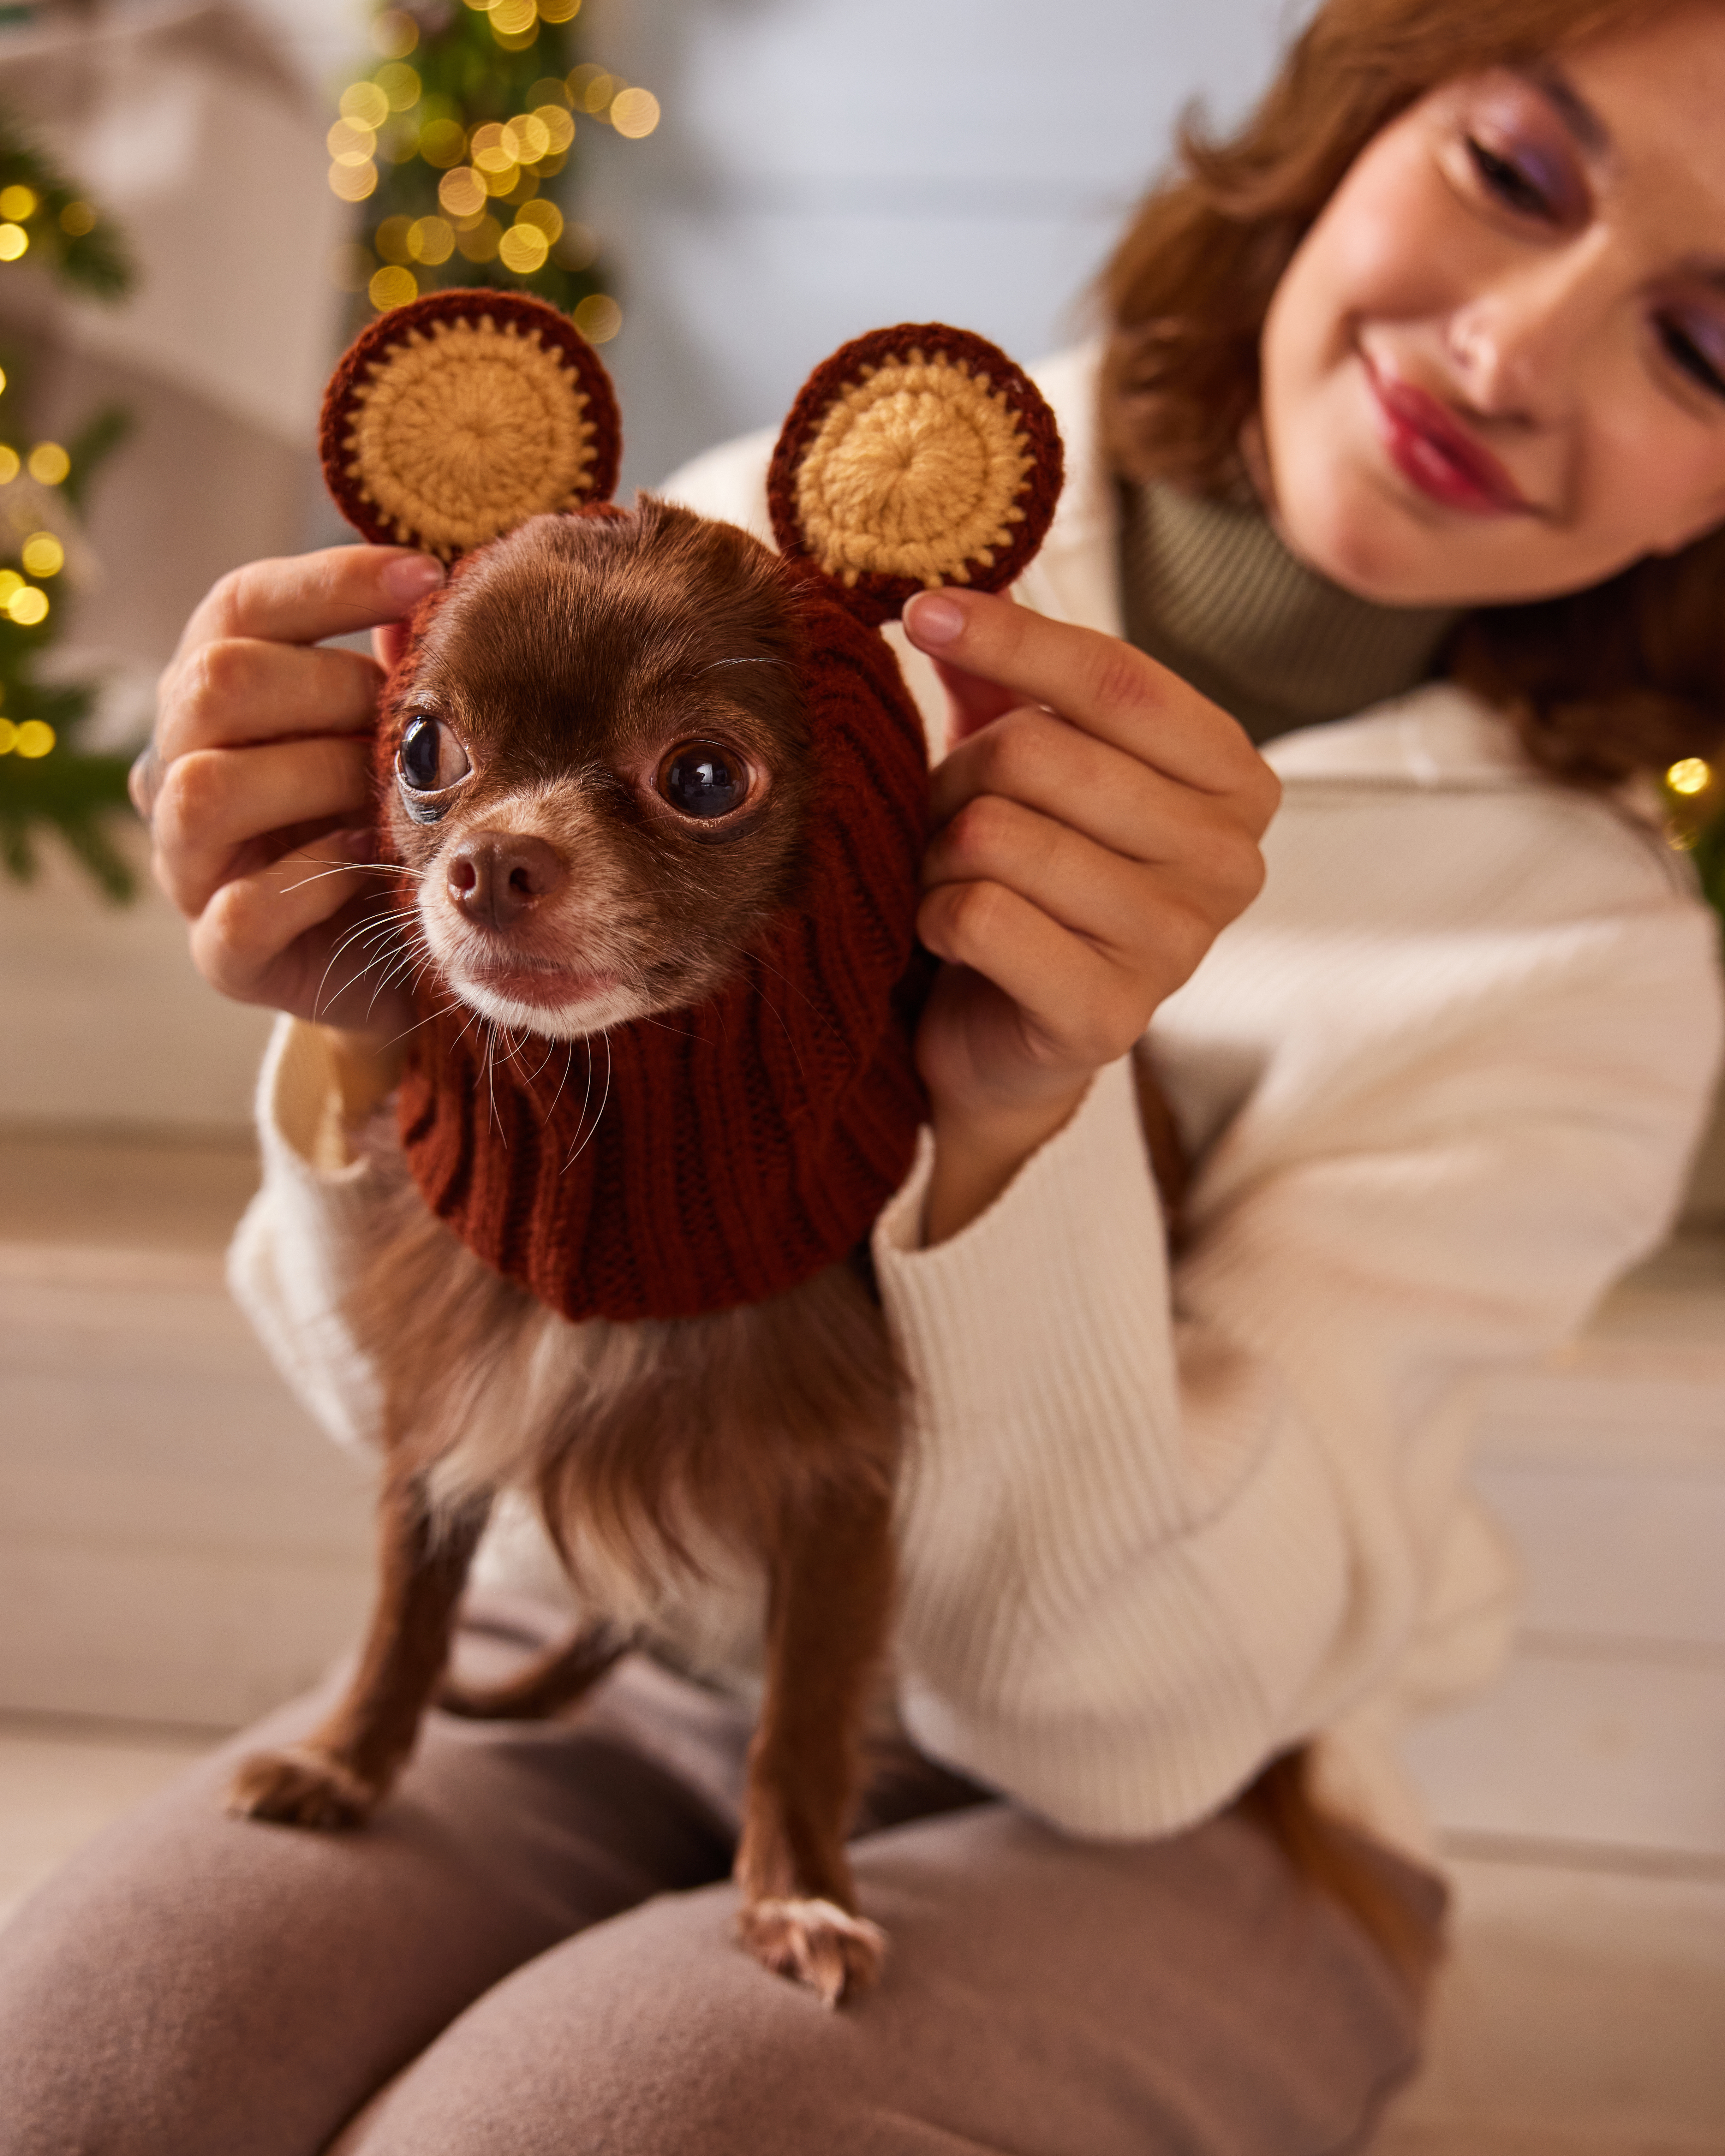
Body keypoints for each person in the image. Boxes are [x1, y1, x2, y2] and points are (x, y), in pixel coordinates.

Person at [4, 0, 1724, 2147]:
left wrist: (1014, 1130)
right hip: (598, 1656)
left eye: (1703, 345)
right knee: (80, 2068)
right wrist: (391, 1045)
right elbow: (414, 1412)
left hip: (1204, 1815)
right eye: (1513, 173)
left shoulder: (1586, 958)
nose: (1506, 350)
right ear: (1353, 120)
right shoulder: (740, 563)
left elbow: (1135, 1731)